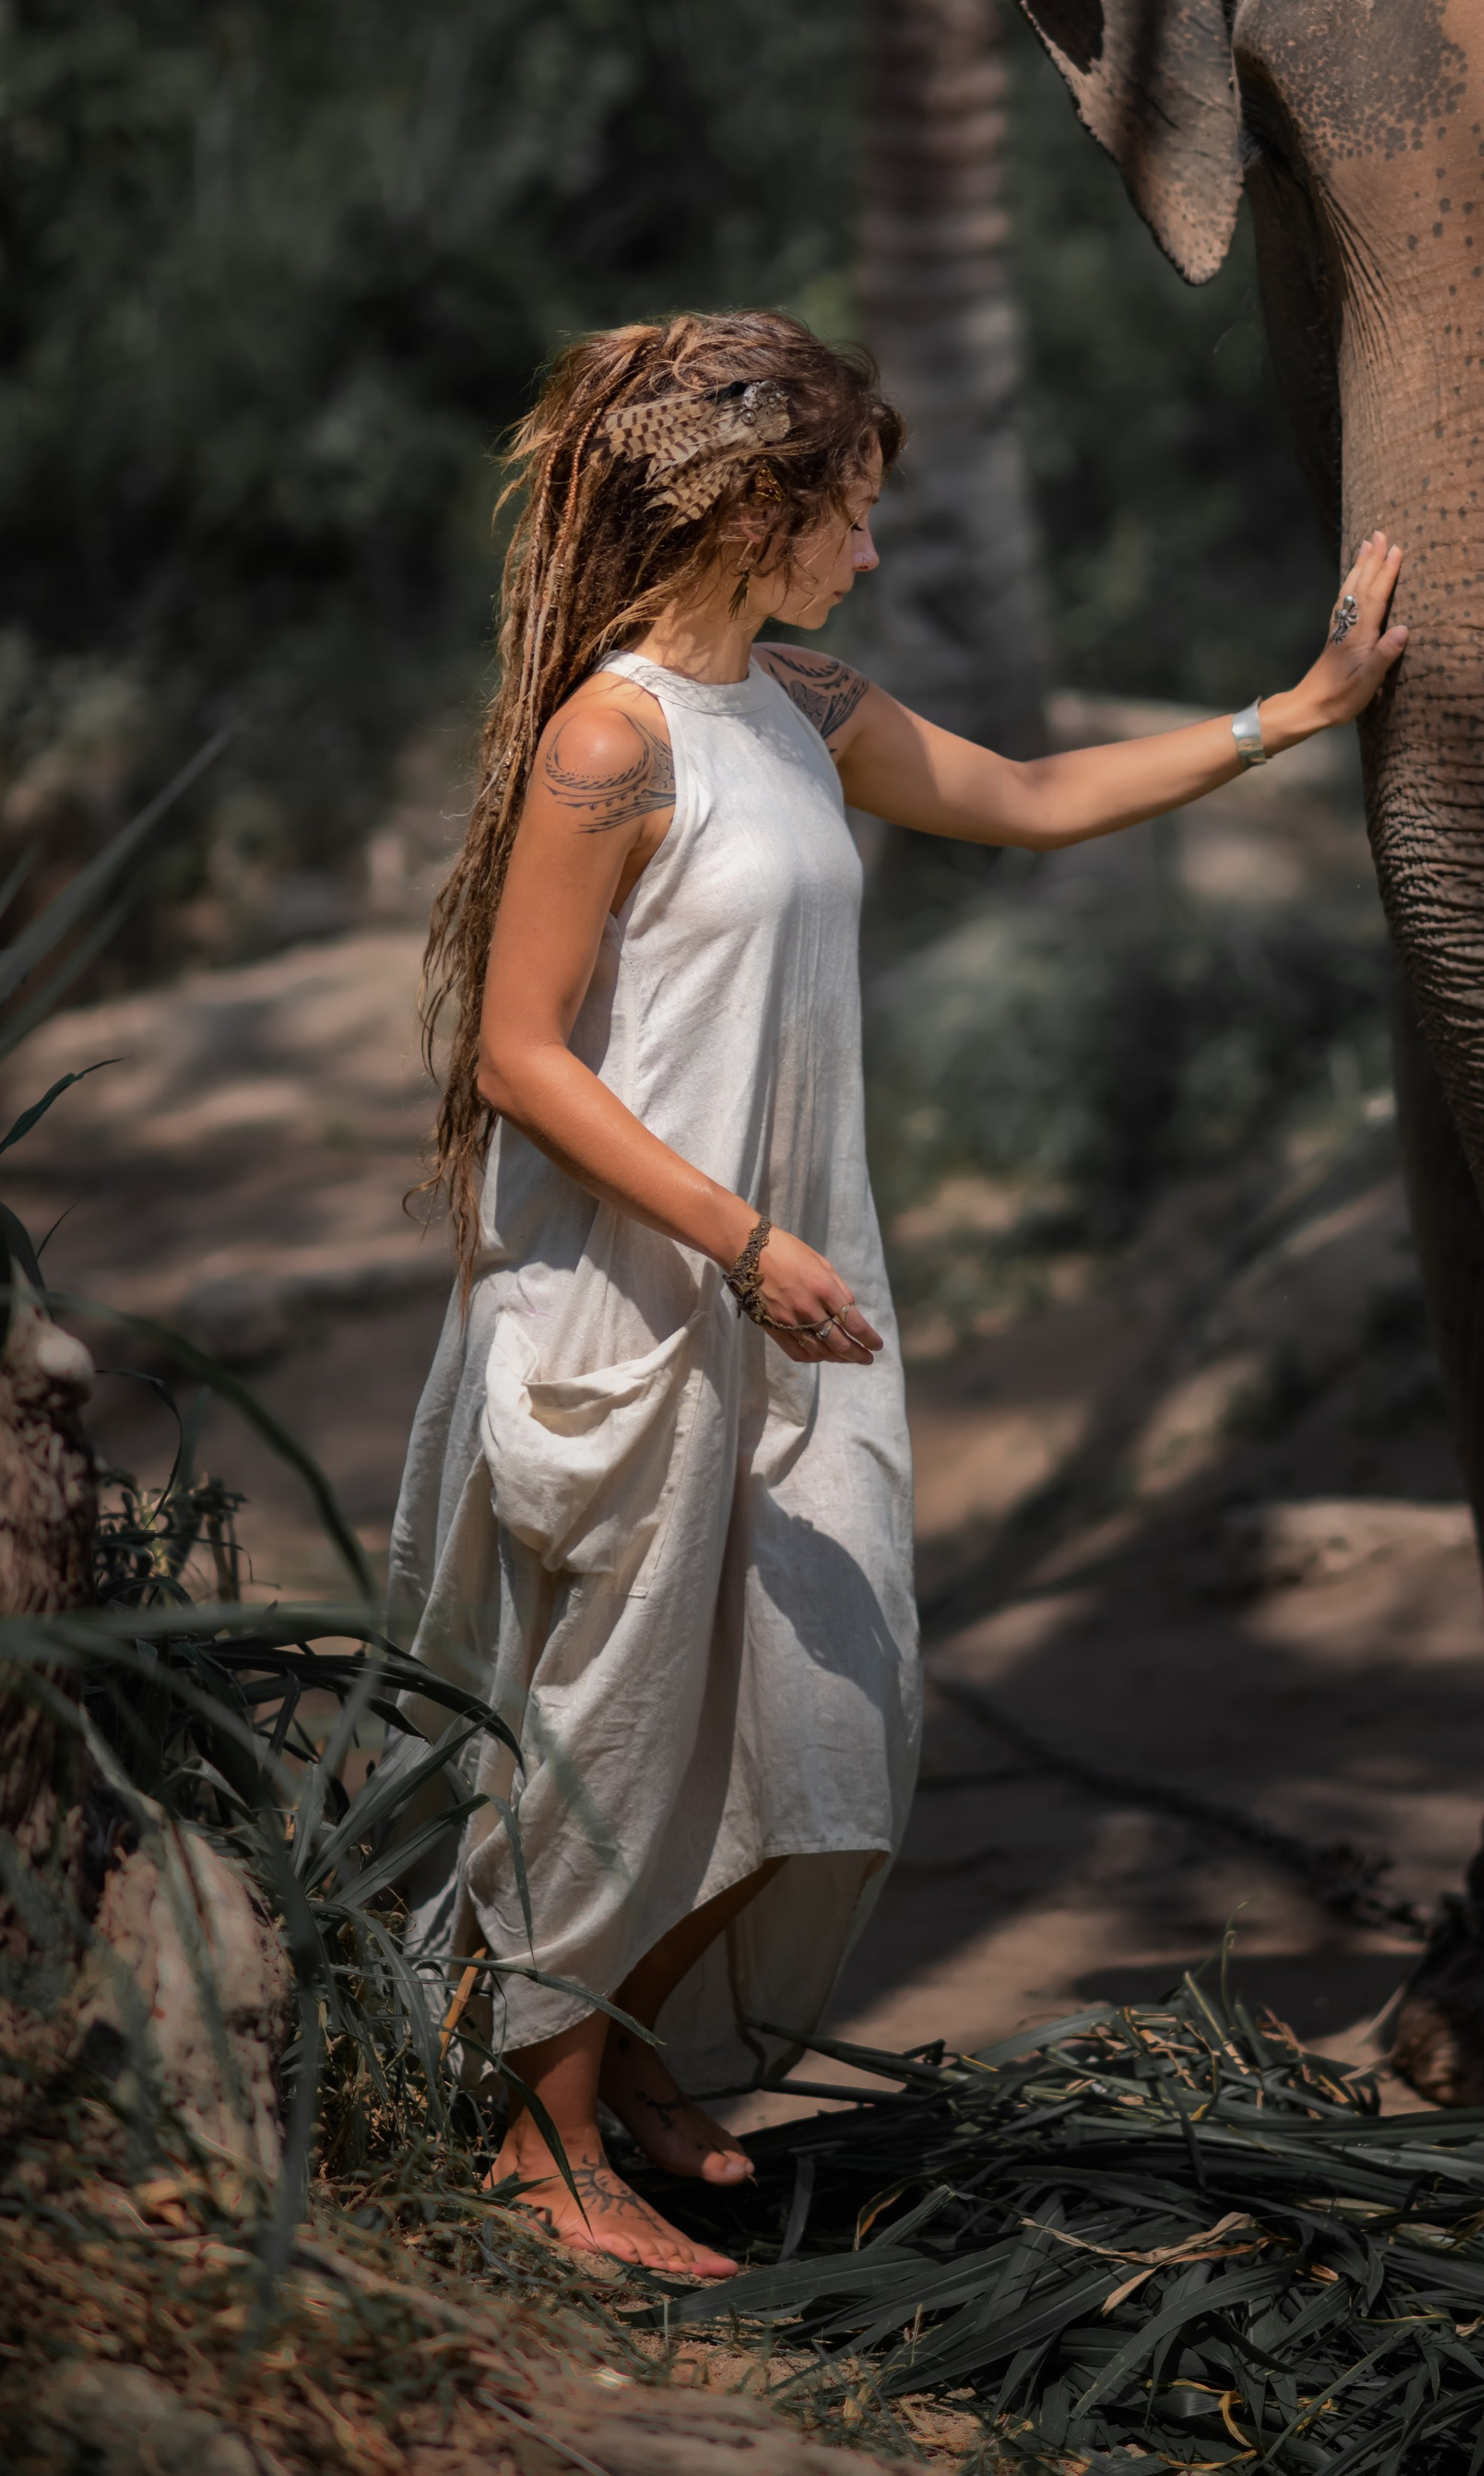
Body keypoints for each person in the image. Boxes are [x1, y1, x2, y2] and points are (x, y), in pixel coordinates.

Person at [390, 307, 1408, 2277]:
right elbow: (518, 1052)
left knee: (810, 1709)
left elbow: (1022, 797)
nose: (865, 554)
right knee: (621, 1723)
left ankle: (623, 2054)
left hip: (794, 1294)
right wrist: (738, 1242)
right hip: (646, 1300)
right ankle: (540, 2142)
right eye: (843, 515)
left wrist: (1293, 711)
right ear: (746, 511)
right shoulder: (611, 739)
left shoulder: (803, 700)